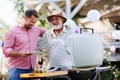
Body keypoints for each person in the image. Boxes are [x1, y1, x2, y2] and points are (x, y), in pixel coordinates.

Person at [3, 9, 46, 80]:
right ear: (25, 18)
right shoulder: (12, 31)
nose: (33, 25)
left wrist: (65, 28)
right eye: (31, 22)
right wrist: (20, 54)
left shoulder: (36, 29)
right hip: (16, 70)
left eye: (34, 23)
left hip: (31, 69)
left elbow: (50, 33)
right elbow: (6, 50)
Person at [37, 10, 80, 80]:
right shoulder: (47, 34)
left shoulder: (70, 33)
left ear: (62, 20)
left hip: (69, 70)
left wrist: (76, 66)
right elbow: (38, 48)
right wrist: (42, 59)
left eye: (57, 19)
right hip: (52, 71)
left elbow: (78, 49)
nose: (54, 21)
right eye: (52, 20)